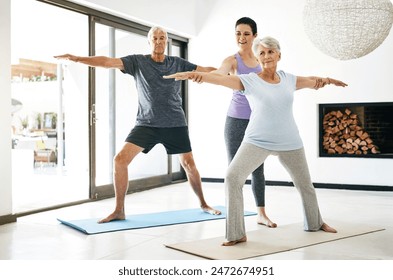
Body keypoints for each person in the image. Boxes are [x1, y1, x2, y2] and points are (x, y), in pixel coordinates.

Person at [164, 36, 347, 246]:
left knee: (305, 184)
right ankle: (236, 233)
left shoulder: (289, 79)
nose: (266, 56)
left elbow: (312, 81)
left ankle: (316, 223)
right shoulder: (249, 80)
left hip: (289, 140)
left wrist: (326, 80)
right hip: (257, 140)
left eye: (270, 51)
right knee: (233, 177)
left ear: (279, 54)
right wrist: (195, 76)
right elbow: (220, 80)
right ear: (257, 57)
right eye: (262, 53)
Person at [55, 26, 221, 223]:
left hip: (175, 122)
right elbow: (107, 62)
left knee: (189, 164)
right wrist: (76, 59)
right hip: (146, 123)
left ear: (166, 42)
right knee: (120, 160)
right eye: (155, 38)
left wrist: (231, 73)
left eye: (162, 38)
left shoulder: (178, 63)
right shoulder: (137, 62)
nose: (159, 41)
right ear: (149, 41)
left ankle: (203, 203)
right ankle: (119, 210)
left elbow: (207, 71)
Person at [213, 17, 276, 228]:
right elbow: (220, 73)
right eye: (238, 33)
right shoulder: (232, 60)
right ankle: (235, 214)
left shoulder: (262, 60)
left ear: (255, 36)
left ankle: (261, 213)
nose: (241, 37)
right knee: (234, 170)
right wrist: (204, 76)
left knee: (258, 168)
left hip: (258, 120)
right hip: (235, 120)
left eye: (246, 33)